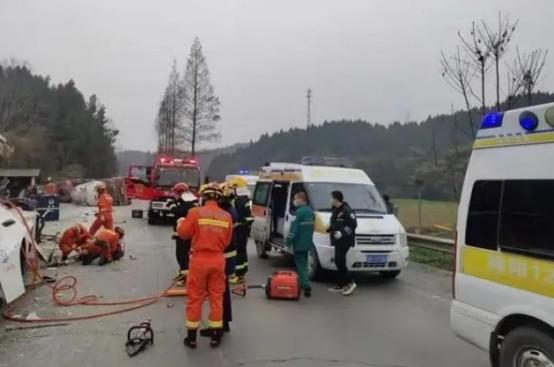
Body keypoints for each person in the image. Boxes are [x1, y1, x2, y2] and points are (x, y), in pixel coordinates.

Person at [177, 183, 233, 349]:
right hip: (217, 260)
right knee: (216, 298)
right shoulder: (226, 216)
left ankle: (191, 338)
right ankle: (216, 335)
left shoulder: (195, 213)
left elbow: (183, 234)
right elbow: (228, 241)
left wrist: (180, 223)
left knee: (195, 298)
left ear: (204, 197)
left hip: (199, 260)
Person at [200, 183, 237, 337]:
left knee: (218, 293)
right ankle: (224, 322)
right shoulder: (229, 212)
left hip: (222, 257)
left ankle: (219, 325)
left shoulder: (224, 213)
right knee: (222, 292)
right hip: (226, 257)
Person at [327, 190, 358, 296]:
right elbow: (335, 222)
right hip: (337, 240)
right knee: (338, 261)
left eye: (331, 198)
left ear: (336, 199)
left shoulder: (347, 210)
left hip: (345, 240)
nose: (329, 200)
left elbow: (353, 224)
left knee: (339, 261)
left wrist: (342, 233)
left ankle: (351, 282)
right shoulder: (335, 210)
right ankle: (341, 285)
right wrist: (330, 228)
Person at [286, 192, 315, 297]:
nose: (294, 201)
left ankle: (305, 285)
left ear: (301, 199)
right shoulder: (310, 212)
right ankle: (303, 283)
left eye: (295, 199)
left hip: (299, 242)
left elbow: (294, 229)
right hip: (307, 242)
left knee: (300, 264)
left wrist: (288, 241)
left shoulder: (299, 212)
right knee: (304, 263)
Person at [227, 177, 254, 284]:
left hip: (239, 229)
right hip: (242, 229)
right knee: (242, 251)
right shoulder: (244, 199)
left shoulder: (240, 200)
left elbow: (240, 215)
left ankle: (238, 274)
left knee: (238, 251)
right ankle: (241, 272)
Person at [169, 182, 197, 282]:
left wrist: (172, 204)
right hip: (191, 232)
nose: (175, 195)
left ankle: (184, 276)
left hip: (184, 232)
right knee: (187, 254)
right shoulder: (193, 200)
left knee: (181, 255)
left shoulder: (185, 201)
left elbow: (178, 212)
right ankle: (184, 274)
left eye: (176, 193)